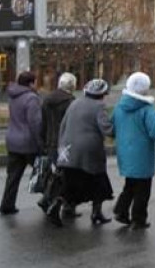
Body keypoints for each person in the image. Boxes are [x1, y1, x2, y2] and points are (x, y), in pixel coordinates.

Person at [49, 79, 116, 226]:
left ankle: (59, 204)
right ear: (101, 94)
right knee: (98, 180)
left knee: (71, 181)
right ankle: (96, 213)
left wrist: (62, 147)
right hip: (90, 150)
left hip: (69, 148)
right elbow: (107, 129)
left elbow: (63, 125)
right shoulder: (99, 107)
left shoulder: (75, 103)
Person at [111, 73, 155, 229]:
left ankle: (121, 211)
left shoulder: (119, 107)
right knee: (143, 189)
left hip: (124, 153)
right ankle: (138, 219)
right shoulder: (147, 109)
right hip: (143, 155)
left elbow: (112, 129)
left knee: (130, 184)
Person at [0, 71, 43, 215]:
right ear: (31, 83)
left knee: (12, 176)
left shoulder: (13, 96)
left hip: (12, 141)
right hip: (28, 143)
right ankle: (49, 201)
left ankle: (7, 205)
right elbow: (35, 123)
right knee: (44, 172)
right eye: (36, 81)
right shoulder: (31, 98)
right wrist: (41, 143)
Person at [37, 72, 77, 216]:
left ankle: (50, 200)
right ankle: (55, 202)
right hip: (65, 143)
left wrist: (42, 141)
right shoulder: (71, 102)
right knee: (66, 176)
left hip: (50, 141)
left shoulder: (47, 100)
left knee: (56, 173)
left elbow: (43, 122)